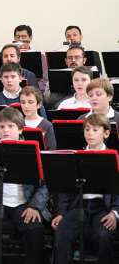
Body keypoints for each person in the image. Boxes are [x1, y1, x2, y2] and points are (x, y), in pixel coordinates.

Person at [0, 107, 49, 264]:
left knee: (34, 228)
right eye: (1, 127)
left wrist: (35, 206)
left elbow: (45, 185)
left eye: (10, 126)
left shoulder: (32, 151)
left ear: (20, 129)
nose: (5, 130)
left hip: (24, 205)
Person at [52, 113, 119, 264]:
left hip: (103, 208)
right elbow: (65, 190)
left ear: (106, 133)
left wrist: (115, 213)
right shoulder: (75, 156)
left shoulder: (114, 157)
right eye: (87, 129)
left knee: (104, 235)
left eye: (95, 130)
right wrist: (61, 213)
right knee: (62, 232)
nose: (90, 133)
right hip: (78, 206)